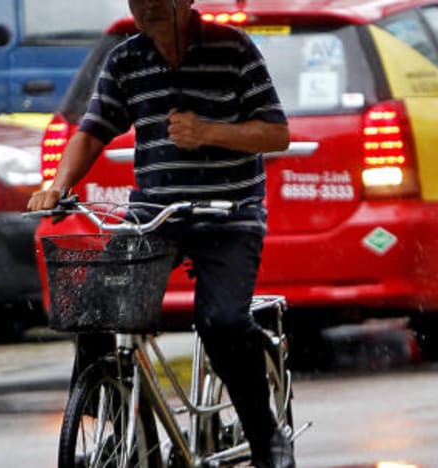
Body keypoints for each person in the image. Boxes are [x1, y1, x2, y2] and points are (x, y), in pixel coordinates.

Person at [27, 0, 292, 466]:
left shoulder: (233, 50)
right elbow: (91, 131)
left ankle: (266, 436)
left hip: (228, 215)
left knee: (223, 322)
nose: (147, 7)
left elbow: (276, 134)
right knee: (95, 309)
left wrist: (208, 131)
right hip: (155, 216)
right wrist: (57, 186)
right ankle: (120, 421)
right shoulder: (126, 59)